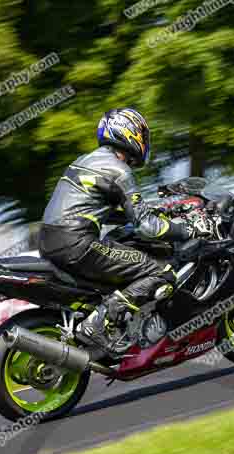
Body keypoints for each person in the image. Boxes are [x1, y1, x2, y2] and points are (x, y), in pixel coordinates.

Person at [39, 108, 211, 352]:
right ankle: (100, 323)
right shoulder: (119, 170)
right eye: (142, 134)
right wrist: (188, 230)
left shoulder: (84, 161)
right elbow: (147, 227)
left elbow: (108, 213)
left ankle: (108, 326)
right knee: (163, 272)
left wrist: (159, 215)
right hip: (78, 243)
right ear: (127, 132)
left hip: (49, 240)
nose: (145, 141)